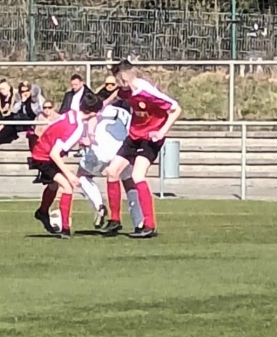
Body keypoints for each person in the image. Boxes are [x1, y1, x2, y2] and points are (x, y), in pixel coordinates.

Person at [103, 60, 182, 239]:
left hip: (150, 138)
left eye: (117, 79)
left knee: (137, 175)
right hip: (134, 136)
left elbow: (176, 108)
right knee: (112, 172)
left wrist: (161, 132)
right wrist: (103, 104)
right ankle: (114, 221)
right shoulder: (126, 89)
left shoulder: (146, 91)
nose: (116, 83)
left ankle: (149, 225)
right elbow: (118, 94)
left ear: (123, 78)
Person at [30, 91, 101, 239]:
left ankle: (42, 212)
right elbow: (54, 153)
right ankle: (65, 228)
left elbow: (57, 129)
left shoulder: (71, 113)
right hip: (44, 156)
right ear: (93, 113)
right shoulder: (77, 127)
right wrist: (69, 174)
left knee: (53, 185)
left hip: (42, 149)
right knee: (67, 187)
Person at [76, 95, 141, 231]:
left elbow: (92, 119)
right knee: (128, 182)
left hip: (100, 150)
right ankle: (139, 222)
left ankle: (100, 206)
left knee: (82, 175)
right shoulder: (126, 114)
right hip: (122, 150)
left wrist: (89, 136)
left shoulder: (99, 111)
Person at [11, 81, 45, 150]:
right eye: (22, 91)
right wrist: (22, 102)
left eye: (27, 90)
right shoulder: (21, 100)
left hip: (36, 119)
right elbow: (14, 111)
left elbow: (42, 110)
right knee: (15, 117)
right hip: (25, 121)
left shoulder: (37, 98)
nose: (25, 93)